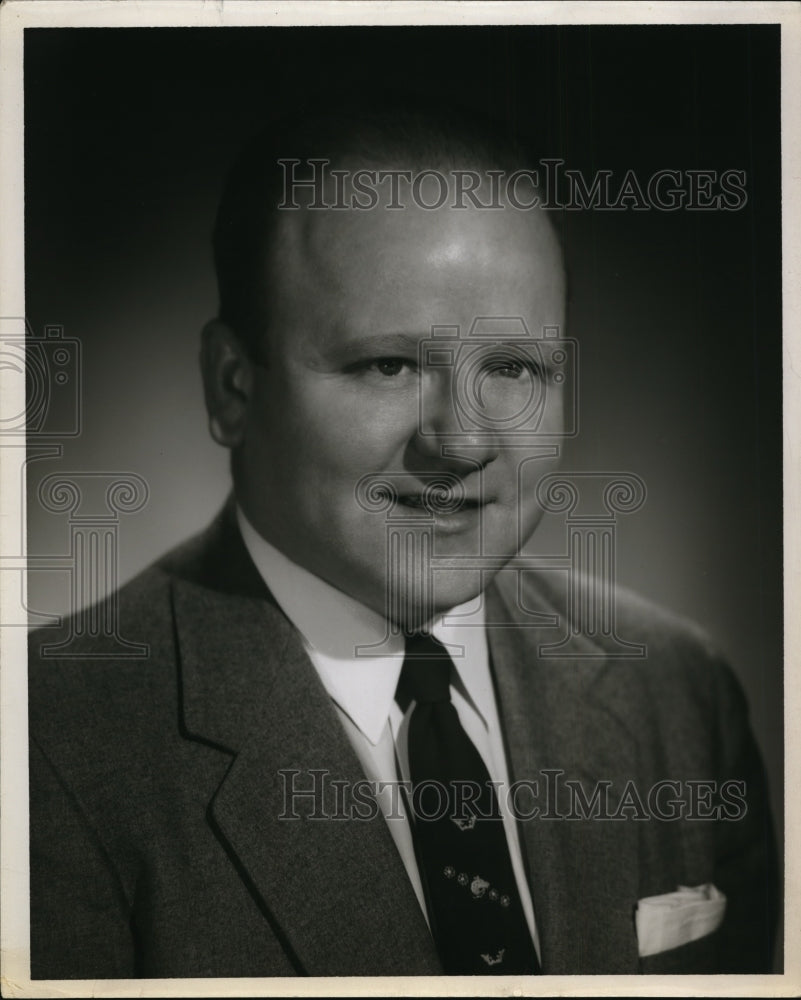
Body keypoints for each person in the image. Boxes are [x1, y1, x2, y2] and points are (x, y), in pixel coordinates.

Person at [28, 104, 778, 979]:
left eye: (513, 368)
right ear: (232, 388)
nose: (460, 443)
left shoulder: (678, 693)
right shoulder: (46, 753)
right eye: (387, 365)